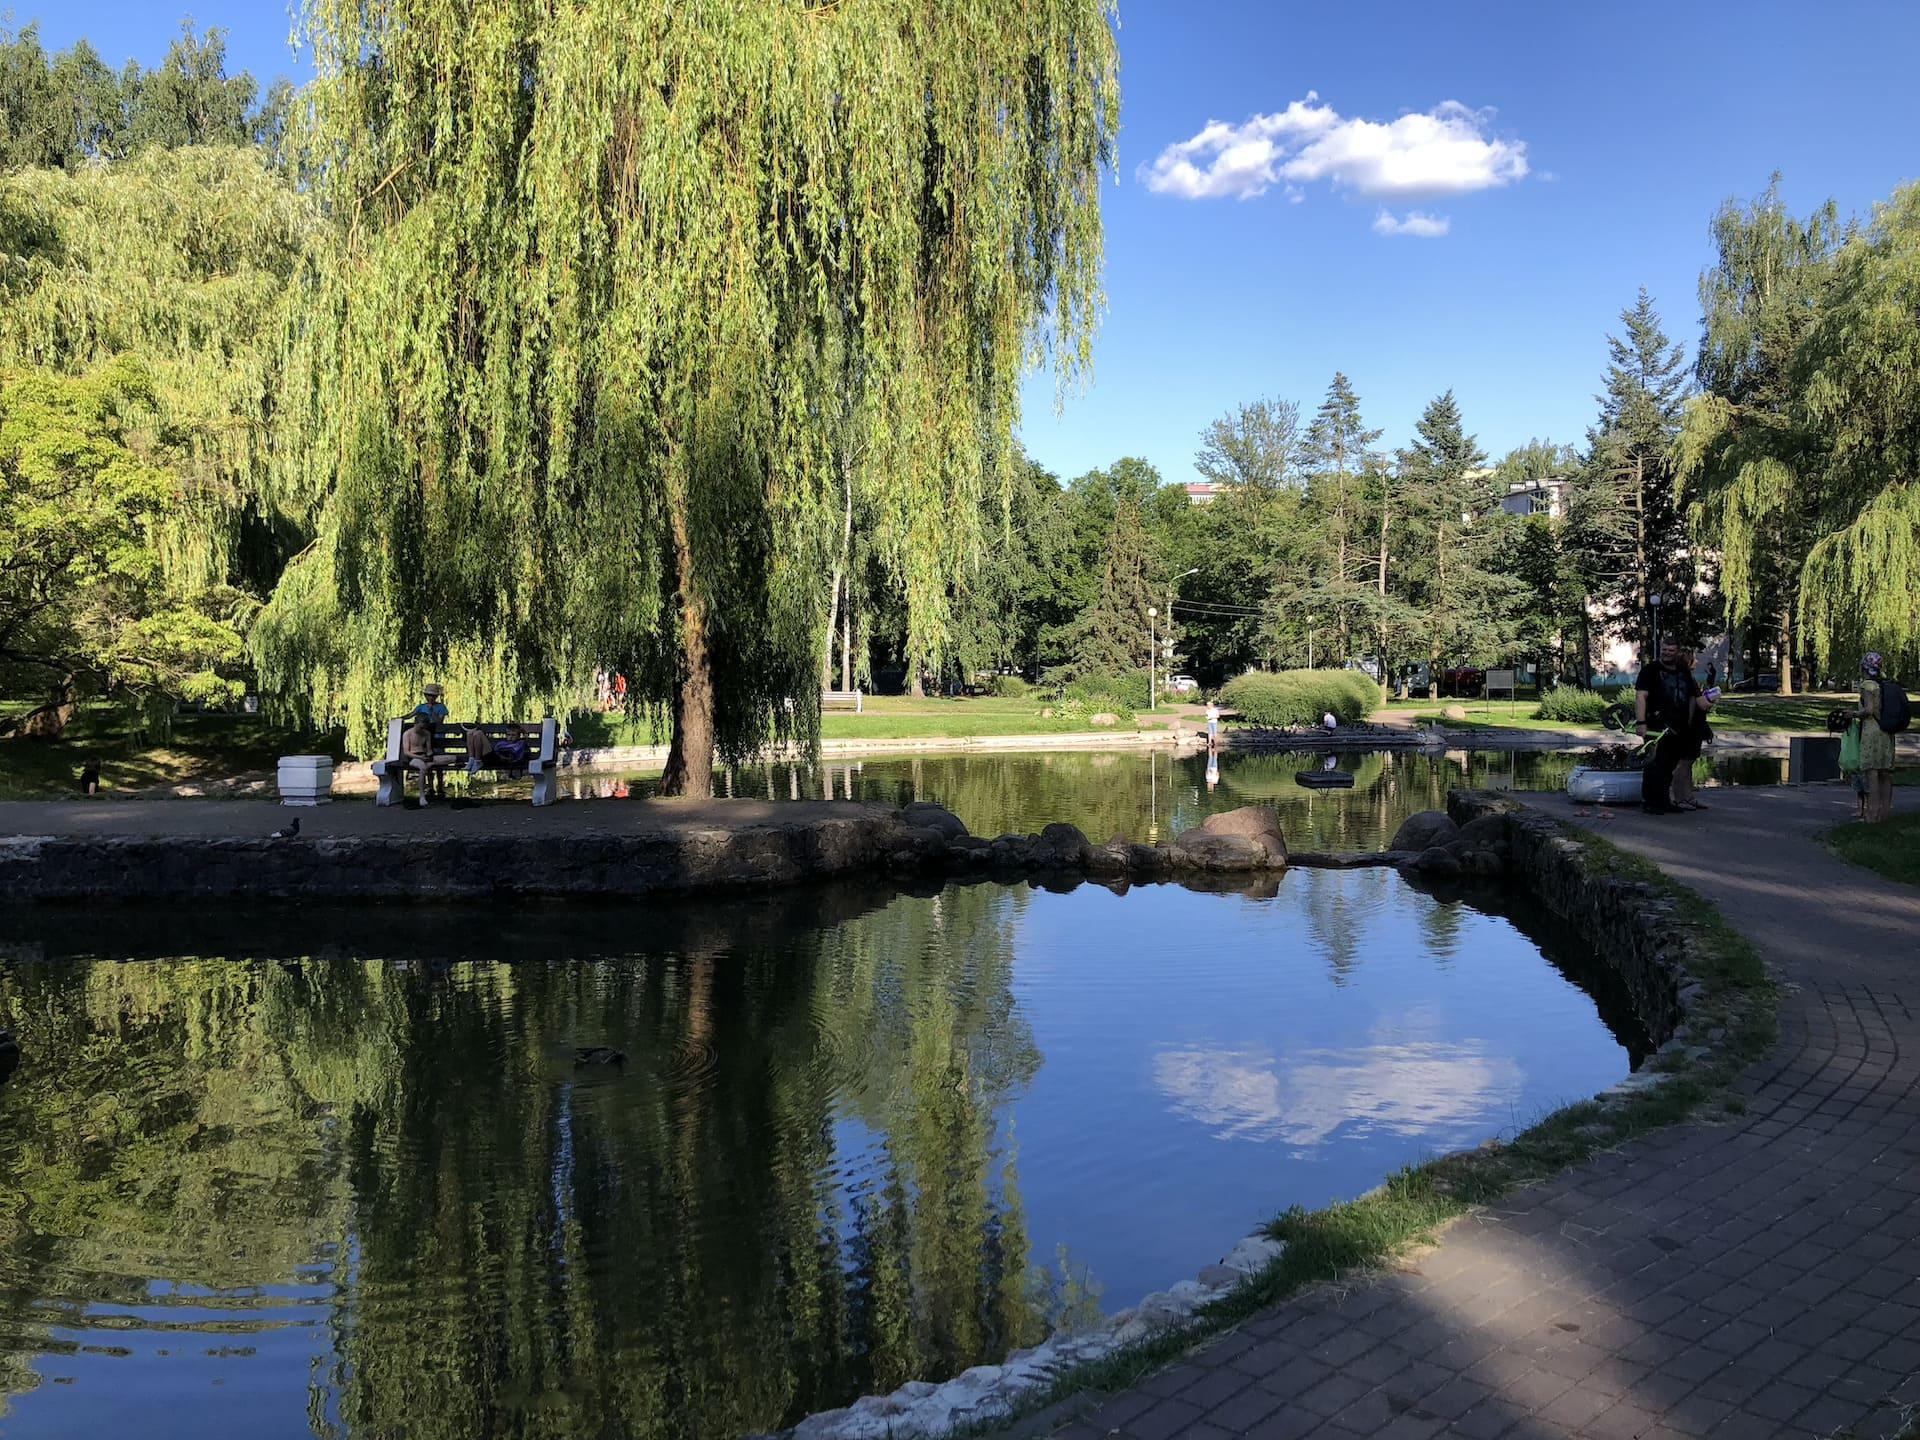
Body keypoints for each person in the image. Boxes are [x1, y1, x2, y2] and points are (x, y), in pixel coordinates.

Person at [1635, 640, 1710, 816]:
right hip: (1656, 725)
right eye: (1664, 649)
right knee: (1654, 764)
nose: (1667, 653)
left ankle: (1664, 801)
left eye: (1671, 650)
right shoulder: (1650, 670)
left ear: (1677, 652)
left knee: (1669, 766)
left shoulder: (1683, 670)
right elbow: (1640, 697)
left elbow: (1695, 696)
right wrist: (1641, 723)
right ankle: (1650, 802)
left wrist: (1709, 702)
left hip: (1679, 727)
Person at [1670, 646, 1716, 812]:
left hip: (1686, 725)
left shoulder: (1678, 678)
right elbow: (1699, 704)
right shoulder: (1687, 679)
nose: (1696, 661)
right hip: (1690, 727)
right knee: (1684, 763)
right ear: (1687, 662)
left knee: (1688, 763)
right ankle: (1678, 797)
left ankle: (1688, 797)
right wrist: (1711, 699)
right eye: (1694, 658)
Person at [1857, 652, 1897, 823]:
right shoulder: (1884, 685)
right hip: (1886, 732)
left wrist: (1853, 714)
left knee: (1872, 773)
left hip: (1872, 731)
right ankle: (1885, 813)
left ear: (1864, 668)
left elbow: (1869, 710)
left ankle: (1872, 815)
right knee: (1885, 774)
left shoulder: (1867, 685)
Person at [402, 715, 442, 804]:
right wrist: (420, 757)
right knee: (423, 767)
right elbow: (406, 752)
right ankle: (422, 796)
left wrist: (430, 756)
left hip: (424, 756)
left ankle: (434, 789)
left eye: (423, 727)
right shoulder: (407, 734)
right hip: (413, 757)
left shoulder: (426, 733)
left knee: (451, 759)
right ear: (415, 723)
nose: (421, 729)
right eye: (420, 727)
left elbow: (429, 749)